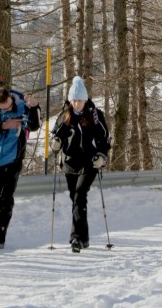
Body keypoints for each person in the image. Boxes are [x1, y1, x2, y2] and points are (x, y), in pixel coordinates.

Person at [50, 75, 111, 253]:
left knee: (79, 196)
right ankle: (84, 238)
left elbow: (105, 138)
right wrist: (55, 144)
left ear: (85, 100)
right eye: (74, 100)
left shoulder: (94, 115)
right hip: (69, 163)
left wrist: (102, 155)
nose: (77, 104)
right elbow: (56, 137)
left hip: (89, 163)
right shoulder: (64, 116)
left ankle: (75, 238)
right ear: (70, 100)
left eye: (80, 100)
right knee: (76, 200)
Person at [0, 86, 41, 248]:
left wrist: (34, 107)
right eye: (1, 107)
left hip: (13, 158)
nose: (4, 109)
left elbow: (34, 126)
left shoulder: (22, 106)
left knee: (5, 198)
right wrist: (1, 126)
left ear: (10, 99)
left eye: (6, 106)